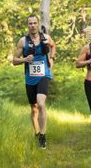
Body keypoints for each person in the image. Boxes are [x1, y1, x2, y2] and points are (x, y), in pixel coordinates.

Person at [12, 14, 56, 149]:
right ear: (28, 26)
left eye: (34, 23)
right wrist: (24, 60)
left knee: (41, 103)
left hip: (44, 75)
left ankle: (43, 136)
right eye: (30, 23)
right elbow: (14, 60)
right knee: (34, 108)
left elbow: (53, 46)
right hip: (30, 79)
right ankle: (37, 132)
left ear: (38, 24)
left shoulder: (46, 38)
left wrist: (52, 58)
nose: (32, 25)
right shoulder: (22, 41)